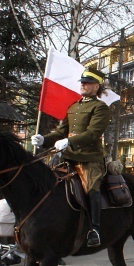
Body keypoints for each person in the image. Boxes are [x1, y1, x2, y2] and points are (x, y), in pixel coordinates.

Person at [31, 68, 110, 247]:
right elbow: (61, 131)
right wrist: (45, 139)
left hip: (89, 158)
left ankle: (94, 229)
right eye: (82, 81)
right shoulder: (74, 106)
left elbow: (92, 133)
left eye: (87, 82)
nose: (82, 84)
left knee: (91, 187)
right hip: (67, 157)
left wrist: (69, 141)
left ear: (96, 86)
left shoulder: (100, 108)